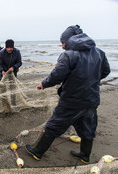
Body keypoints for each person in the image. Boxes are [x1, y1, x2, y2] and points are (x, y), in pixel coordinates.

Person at [25, 25, 110, 164]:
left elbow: (57, 75)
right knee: (88, 128)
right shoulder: (99, 52)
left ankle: (38, 152)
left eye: (63, 42)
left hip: (72, 100)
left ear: (70, 40)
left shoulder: (69, 55)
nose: (62, 45)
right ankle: (84, 155)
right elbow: (105, 71)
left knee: (54, 125)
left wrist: (44, 84)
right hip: (91, 99)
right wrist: (90, 81)